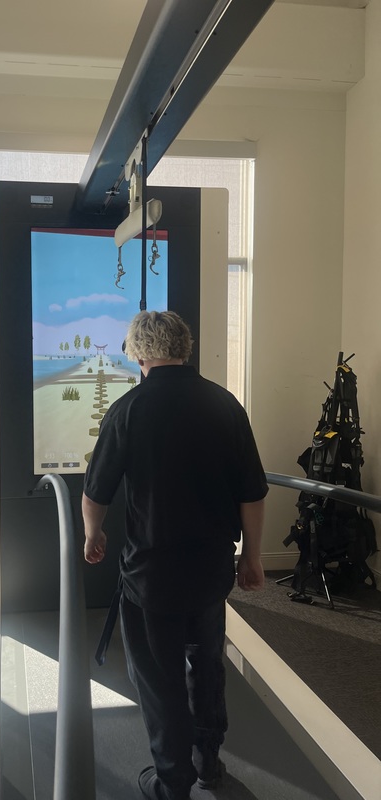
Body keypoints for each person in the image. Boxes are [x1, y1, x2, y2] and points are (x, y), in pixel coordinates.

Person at [82, 310, 268, 800]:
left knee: (159, 681)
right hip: (210, 573)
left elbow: (96, 492)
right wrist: (252, 556)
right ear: (184, 348)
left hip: (151, 577)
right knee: (207, 667)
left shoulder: (128, 409)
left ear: (138, 353)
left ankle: (172, 781)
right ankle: (208, 763)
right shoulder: (225, 405)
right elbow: (252, 492)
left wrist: (92, 534)